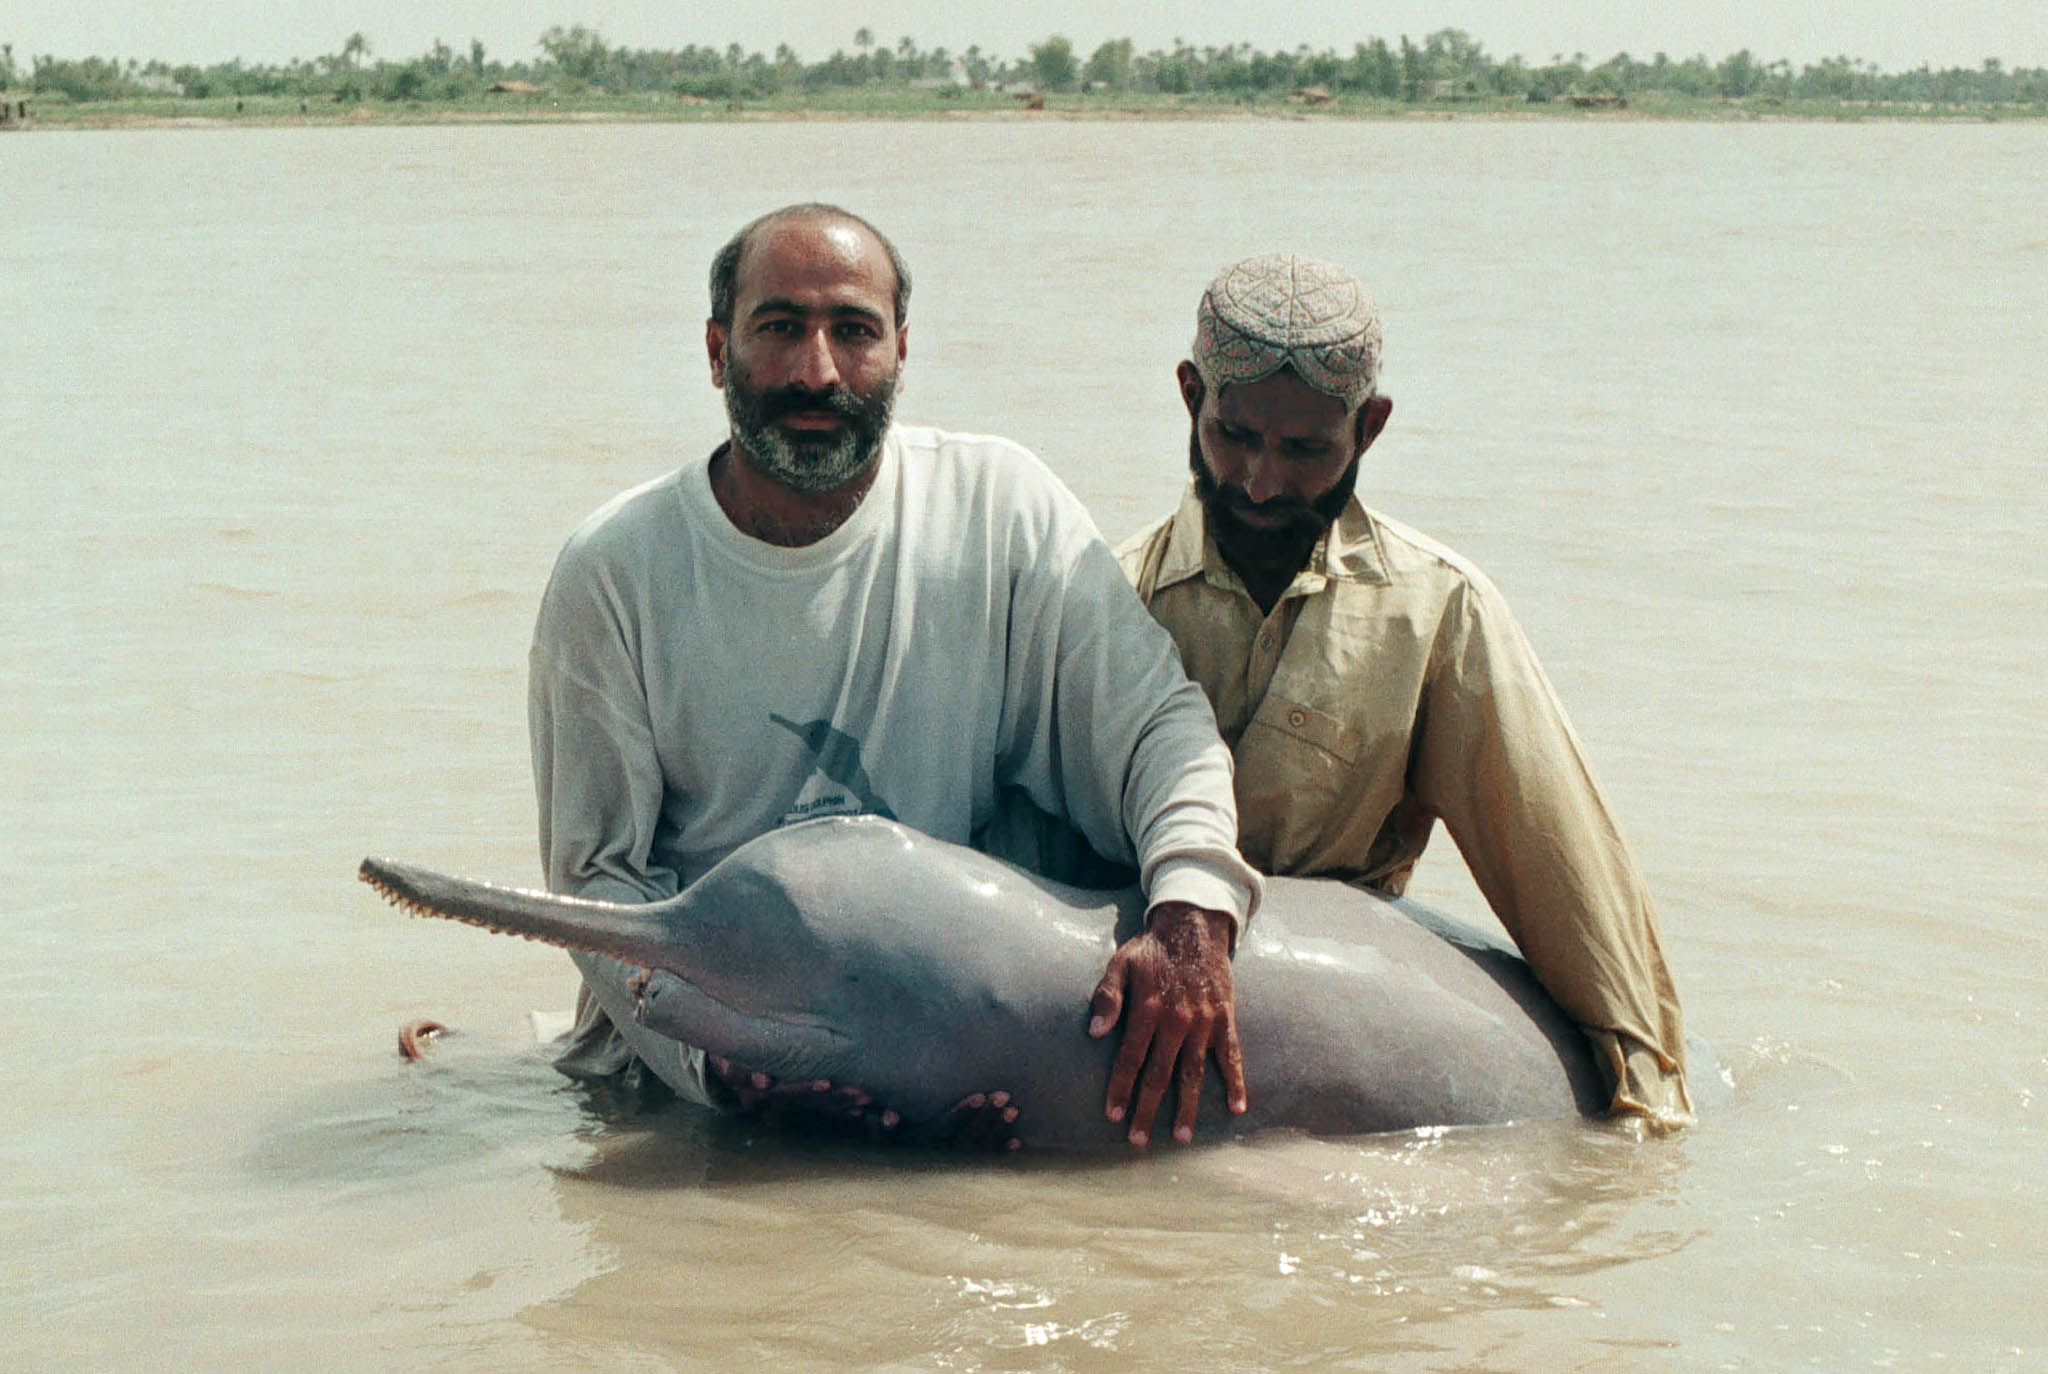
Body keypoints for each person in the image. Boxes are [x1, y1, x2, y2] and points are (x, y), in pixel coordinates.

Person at [528, 203, 1262, 1147]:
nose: (816, 371)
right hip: (701, 1055)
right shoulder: (614, 571)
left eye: (854, 332)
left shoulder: (1000, 507)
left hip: (945, 1051)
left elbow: (1156, 726)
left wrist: (1193, 907)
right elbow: (597, 884)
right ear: (718, 351)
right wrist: (719, 1070)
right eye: (779, 328)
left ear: (902, 352)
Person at [1118, 253, 1692, 1126]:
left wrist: (1647, 1113)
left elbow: (1565, 879)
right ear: (1191, 395)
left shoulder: (1438, 612)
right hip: (1137, 1026)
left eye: (1306, 449)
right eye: (1233, 436)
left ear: (1371, 428)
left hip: (1341, 1035)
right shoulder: (1107, 597)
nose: (1262, 482)